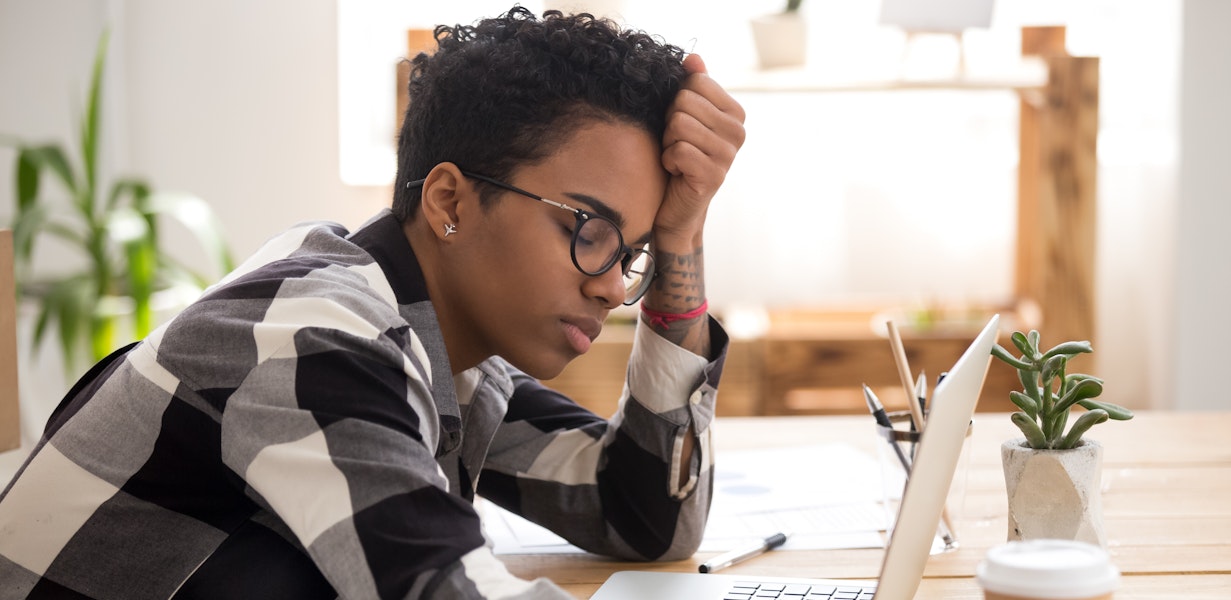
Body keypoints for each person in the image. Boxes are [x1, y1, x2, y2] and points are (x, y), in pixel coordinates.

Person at [0, 7, 745, 599]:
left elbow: (643, 513)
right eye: (589, 230)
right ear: (450, 199)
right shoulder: (317, 341)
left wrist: (683, 239)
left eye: (634, 253)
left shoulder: (444, 357)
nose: (614, 285)